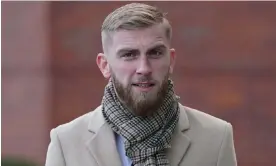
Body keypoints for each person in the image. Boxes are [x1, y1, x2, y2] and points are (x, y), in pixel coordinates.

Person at [45, 3, 237, 166]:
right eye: (129, 55)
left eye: (155, 53)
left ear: (171, 60)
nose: (144, 68)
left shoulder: (216, 137)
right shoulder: (66, 142)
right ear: (105, 65)